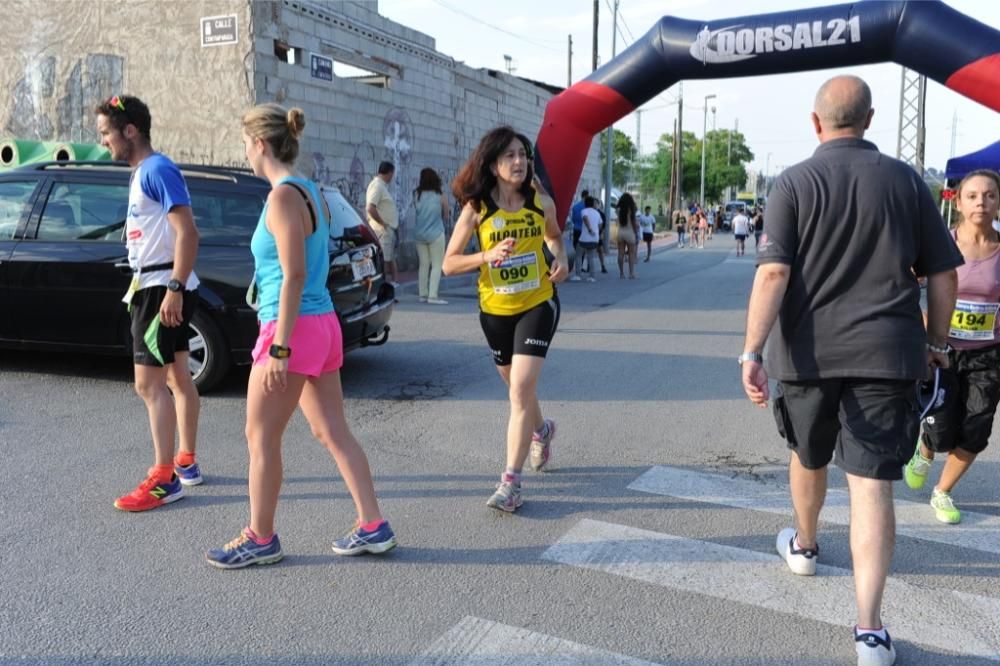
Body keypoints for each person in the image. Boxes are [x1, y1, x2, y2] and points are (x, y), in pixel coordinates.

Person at [740, 75, 961, 666]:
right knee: (870, 486)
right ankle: (869, 631)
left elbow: (772, 274)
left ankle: (806, 546)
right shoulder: (906, 182)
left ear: (817, 123)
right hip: (888, 356)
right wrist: (937, 342)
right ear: (869, 120)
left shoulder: (793, 182)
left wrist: (751, 352)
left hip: (806, 357)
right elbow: (943, 275)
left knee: (808, 456)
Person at [207, 104, 395, 568]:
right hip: (321, 324)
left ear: (260, 144)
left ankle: (260, 537)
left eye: (245, 143)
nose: (245, 152)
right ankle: (373, 524)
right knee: (331, 431)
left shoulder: (283, 197)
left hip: (292, 327)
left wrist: (279, 347)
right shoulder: (309, 190)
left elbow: (293, 275)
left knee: (260, 437)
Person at [442, 126, 568, 512]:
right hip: (495, 311)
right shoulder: (477, 209)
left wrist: (561, 257)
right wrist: (486, 256)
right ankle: (542, 430)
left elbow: (554, 237)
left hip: (537, 304)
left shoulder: (539, 201)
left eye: (523, 155)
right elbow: (448, 264)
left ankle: (510, 484)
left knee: (519, 391)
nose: (519, 162)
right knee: (519, 390)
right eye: (510, 155)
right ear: (493, 164)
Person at [96, 95, 203, 512]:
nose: (104, 141)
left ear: (130, 130)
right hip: (160, 283)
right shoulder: (146, 171)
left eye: (107, 133)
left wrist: (174, 288)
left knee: (149, 385)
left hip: (161, 285)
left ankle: (164, 479)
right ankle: (186, 462)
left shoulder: (156, 168)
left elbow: (188, 233)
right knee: (177, 376)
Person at [904, 169, 1000, 524]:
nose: (981, 202)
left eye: (990, 195)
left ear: (998, 202)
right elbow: (906, 285)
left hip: (989, 355)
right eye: (973, 195)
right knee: (942, 428)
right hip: (942, 350)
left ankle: (942, 491)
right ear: (957, 202)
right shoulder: (941, 243)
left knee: (977, 428)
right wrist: (924, 329)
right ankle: (925, 449)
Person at [413, 167, 451, 305]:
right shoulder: (441, 196)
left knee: (423, 265)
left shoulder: (416, 194)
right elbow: (446, 215)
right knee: (436, 265)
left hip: (419, 234)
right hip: (436, 234)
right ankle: (432, 296)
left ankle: (422, 294)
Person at [366, 161, 399, 286]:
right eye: (392, 173)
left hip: (387, 229)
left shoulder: (381, 186)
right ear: (389, 172)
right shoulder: (377, 186)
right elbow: (370, 207)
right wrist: (383, 223)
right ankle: (383, 284)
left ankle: (394, 282)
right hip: (382, 229)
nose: (392, 176)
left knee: (389, 256)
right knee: (384, 259)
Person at [573, 196, 601, 283]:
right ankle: (592, 277)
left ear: (585, 203)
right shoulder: (597, 213)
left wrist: (589, 229)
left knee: (578, 255)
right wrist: (596, 232)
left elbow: (585, 218)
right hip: (595, 238)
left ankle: (578, 275)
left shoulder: (584, 211)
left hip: (584, 238)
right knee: (591, 257)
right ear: (593, 203)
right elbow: (600, 224)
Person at [616, 193, 640, 279]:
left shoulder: (618, 210)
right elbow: (634, 223)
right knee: (631, 254)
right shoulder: (631, 210)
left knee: (620, 254)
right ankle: (631, 273)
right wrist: (636, 232)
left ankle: (621, 273)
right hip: (630, 232)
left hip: (620, 232)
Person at [570, 189, 587, 269]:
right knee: (582, 249)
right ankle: (580, 266)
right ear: (587, 196)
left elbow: (573, 219)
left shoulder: (575, 207)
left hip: (576, 229)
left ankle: (572, 265)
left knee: (575, 247)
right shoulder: (586, 207)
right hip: (584, 230)